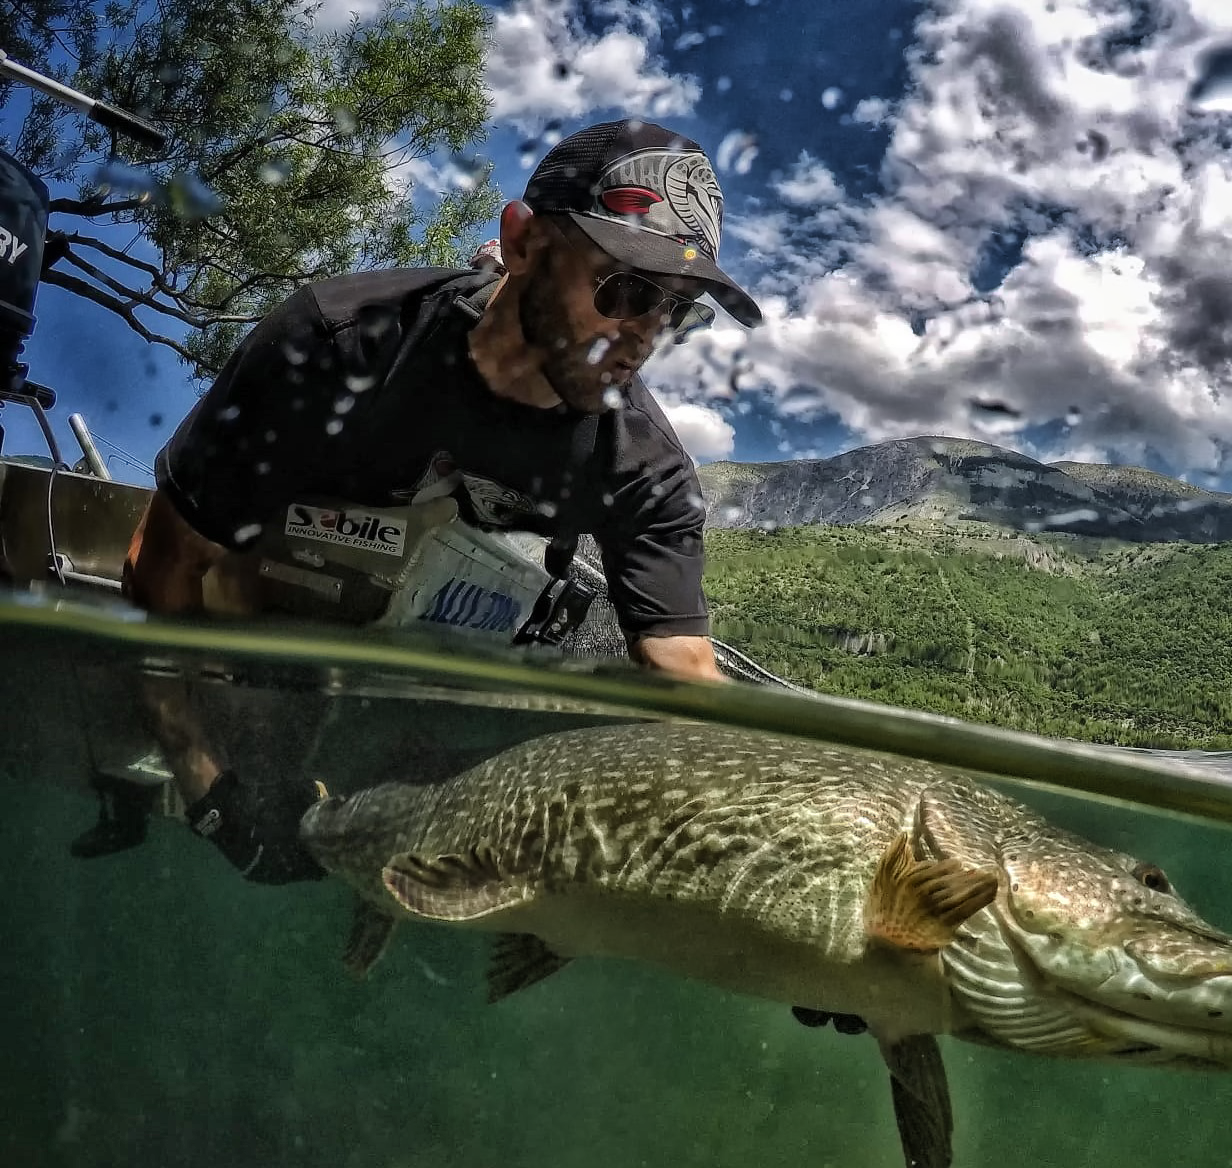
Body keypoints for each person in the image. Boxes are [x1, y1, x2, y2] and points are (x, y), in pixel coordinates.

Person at [121, 118, 762, 883]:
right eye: (625, 290)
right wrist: (204, 786)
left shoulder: (645, 469)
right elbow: (160, 559)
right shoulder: (337, 345)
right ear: (522, 243)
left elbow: (685, 676)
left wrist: (792, 872)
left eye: (677, 312)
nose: (644, 337)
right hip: (266, 659)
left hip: (450, 713)